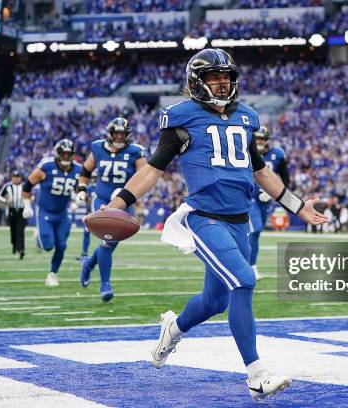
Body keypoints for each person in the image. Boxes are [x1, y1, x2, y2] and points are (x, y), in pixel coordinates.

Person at [101, 49, 328, 400]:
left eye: (226, 77)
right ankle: (255, 374)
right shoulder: (182, 118)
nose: (222, 84)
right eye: (214, 78)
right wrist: (118, 204)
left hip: (239, 220)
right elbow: (151, 171)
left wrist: (297, 206)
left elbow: (261, 172)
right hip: (204, 217)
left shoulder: (246, 118)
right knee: (244, 278)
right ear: (197, 82)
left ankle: (172, 329)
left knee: (214, 301)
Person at [75, 117, 146, 302]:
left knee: (110, 242)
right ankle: (105, 285)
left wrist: (138, 201)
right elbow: (85, 171)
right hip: (101, 199)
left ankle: (88, 264)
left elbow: (145, 175)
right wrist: (82, 188)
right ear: (110, 134)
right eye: (117, 133)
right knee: (107, 240)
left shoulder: (135, 152)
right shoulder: (98, 148)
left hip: (124, 201)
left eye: (123, 134)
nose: (120, 137)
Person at [22, 139, 82, 286]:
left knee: (62, 245)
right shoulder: (46, 167)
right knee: (48, 246)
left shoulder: (78, 170)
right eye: (63, 154)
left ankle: (52, 274)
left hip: (62, 213)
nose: (66, 157)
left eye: (69, 154)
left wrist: (76, 198)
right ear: (57, 154)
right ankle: (38, 238)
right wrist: (27, 205)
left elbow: (80, 188)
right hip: (45, 211)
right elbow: (27, 185)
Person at [247, 125, 289, 281]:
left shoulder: (277, 154)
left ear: (266, 140)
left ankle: (251, 264)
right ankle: (251, 267)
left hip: (266, 200)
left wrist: (273, 193)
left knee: (255, 234)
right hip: (248, 196)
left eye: (261, 139)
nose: (258, 141)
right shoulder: (245, 152)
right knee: (255, 229)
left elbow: (285, 178)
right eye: (256, 138)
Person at [0, 170, 26, 259]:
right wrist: (6, 201)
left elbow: (30, 194)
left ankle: (21, 249)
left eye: (17, 177)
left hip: (22, 210)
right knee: (13, 230)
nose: (16, 179)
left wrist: (30, 198)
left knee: (20, 230)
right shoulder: (8, 186)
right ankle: (14, 244)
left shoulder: (24, 186)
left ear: (20, 178)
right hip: (12, 210)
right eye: (14, 177)